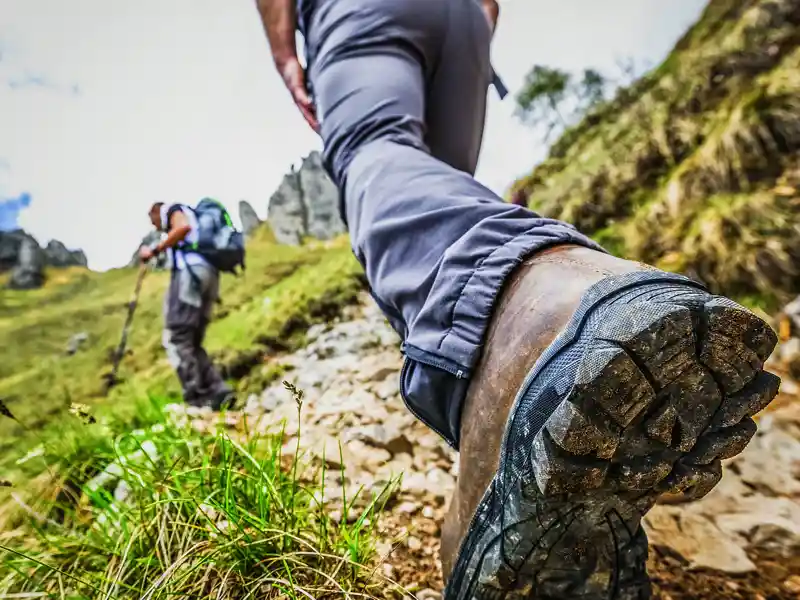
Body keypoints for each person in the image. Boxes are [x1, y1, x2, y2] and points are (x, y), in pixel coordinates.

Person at [256, 0, 781, 597]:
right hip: (464, 22)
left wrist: (285, 54)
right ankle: (518, 455)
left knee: (375, 152)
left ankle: (537, 314)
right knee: (437, 188)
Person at [139, 202, 233, 410]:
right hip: (209, 276)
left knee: (177, 336)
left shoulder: (171, 210)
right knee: (193, 340)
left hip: (190, 275)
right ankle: (218, 391)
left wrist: (155, 249)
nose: (153, 225)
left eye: (151, 219)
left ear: (157, 211)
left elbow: (182, 228)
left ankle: (196, 398)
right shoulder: (195, 217)